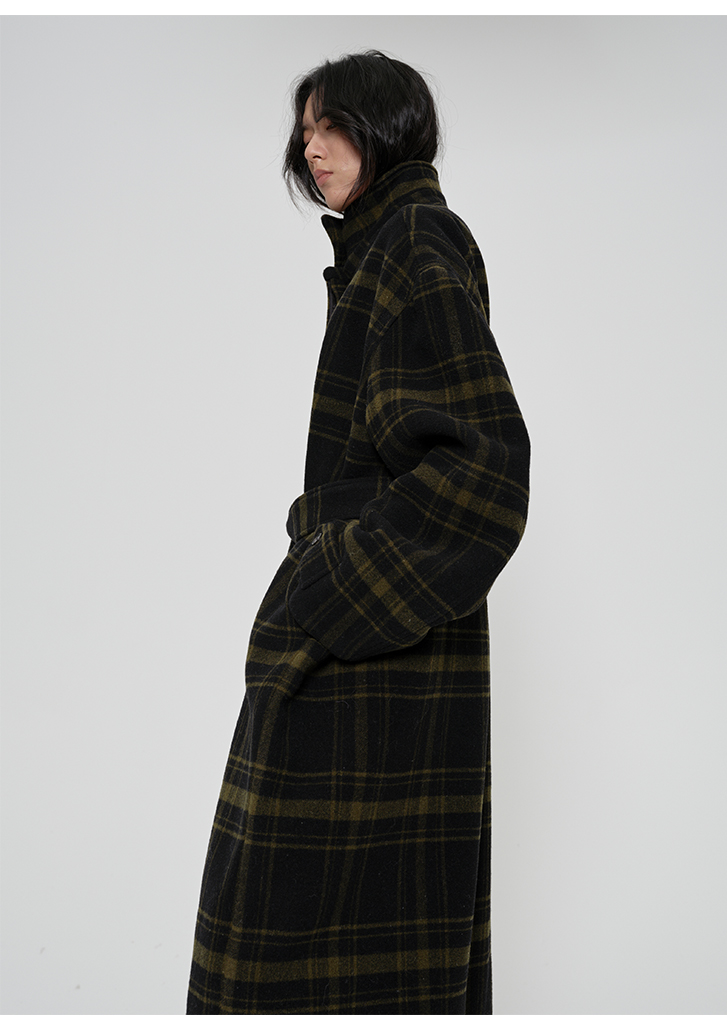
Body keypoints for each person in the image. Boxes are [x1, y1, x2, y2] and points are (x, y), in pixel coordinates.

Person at [187, 50, 530, 1015]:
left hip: (377, 657)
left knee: (299, 944)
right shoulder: (383, 249)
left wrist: (329, 585)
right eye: (305, 132)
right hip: (381, 648)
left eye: (332, 126)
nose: (312, 148)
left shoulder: (414, 242)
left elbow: (484, 466)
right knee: (348, 944)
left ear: (386, 126)